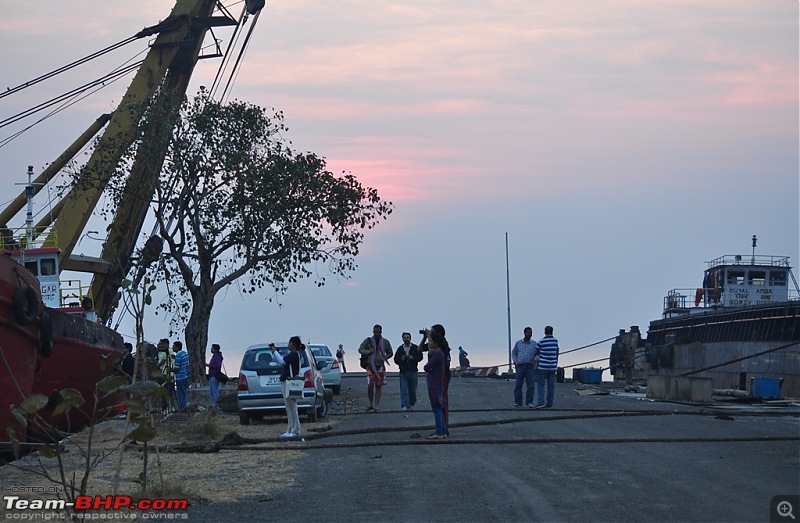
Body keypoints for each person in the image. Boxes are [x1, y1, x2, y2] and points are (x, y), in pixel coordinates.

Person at [419, 324, 451, 432]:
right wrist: (425, 338)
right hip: (436, 375)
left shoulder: (443, 344)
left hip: (442, 375)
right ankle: (441, 426)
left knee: (441, 401)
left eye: (432, 332)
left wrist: (429, 336)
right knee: (438, 402)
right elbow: (420, 349)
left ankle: (443, 426)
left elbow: (431, 353)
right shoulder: (433, 343)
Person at [271, 338, 303, 438]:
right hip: (289, 382)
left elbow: (282, 361)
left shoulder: (294, 354)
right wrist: (276, 352)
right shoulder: (296, 354)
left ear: (293, 344)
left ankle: (295, 430)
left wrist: (275, 351)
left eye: (289, 343)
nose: (288, 345)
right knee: (290, 407)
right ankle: (290, 429)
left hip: (289, 382)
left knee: (291, 407)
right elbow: (282, 360)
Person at [358, 324, 393, 411]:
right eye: (375, 332)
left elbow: (390, 352)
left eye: (379, 332)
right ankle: (371, 403)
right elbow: (360, 349)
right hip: (370, 366)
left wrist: (385, 357)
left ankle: (376, 405)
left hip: (380, 366)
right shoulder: (368, 341)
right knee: (370, 385)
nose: (377, 334)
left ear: (381, 332)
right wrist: (369, 351)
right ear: (373, 332)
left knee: (378, 386)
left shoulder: (385, 342)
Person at [423, 330, 448, 439]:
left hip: (434, 383)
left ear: (436, 343)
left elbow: (427, 367)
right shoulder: (440, 353)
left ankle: (439, 432)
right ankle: (442, 431)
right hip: (437, 383)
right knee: (439, 407)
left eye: (431, 341)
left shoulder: (437, 354)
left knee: (436, 409)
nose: (429, 343)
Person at [394, 332, 423, 411]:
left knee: (412, 390)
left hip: (413, 371)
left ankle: (411, 404)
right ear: (402, 338)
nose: (406, 339)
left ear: (410, 338)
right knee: (403, 390)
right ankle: (404, 405)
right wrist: (401, 359)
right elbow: (396, 359)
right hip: (403, 371)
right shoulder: (400, 349)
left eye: (407, 337)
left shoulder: (415, 348)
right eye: (405, 337)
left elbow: (420, 357)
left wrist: (413, 358)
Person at [512, 326, 538, 408]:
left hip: (530, 366)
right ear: (524, 333)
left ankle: (529, 402)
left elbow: (538, 354)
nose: (529, 334)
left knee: (531, 385)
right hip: (520, 366)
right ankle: (518, 402)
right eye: (528, 332)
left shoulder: (534, 344)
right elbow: (514, 353)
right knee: (518, 385)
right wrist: (516, 362)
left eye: (531, 333)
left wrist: (535, 360)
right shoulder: (518, 343)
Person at [535, 326, 559, 409]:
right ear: (552, 331)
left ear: (544, 332)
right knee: (551, 385)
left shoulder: (541, 342)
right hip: (552, 366)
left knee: (541, 385)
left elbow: (536, 351)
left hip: (543, 366)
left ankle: (541, 402)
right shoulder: (555, 341)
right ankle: (550, 402)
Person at [157, 338, 176, 412]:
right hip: (165, 373)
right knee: (164, 392)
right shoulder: (164, 352)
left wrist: (157, 367)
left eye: (163, 344)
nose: (161, 346)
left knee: (167, 392)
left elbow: (163, 360)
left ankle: (167, 407)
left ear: (166, 344)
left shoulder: (168, 352)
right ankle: (166, 407)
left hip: (167, 374)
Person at [172, 340, 190, 410]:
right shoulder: (184, 353)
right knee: (183, 393)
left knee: (181, 394)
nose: (172, 348)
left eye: (173, 346)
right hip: (185, 376)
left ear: (177, 347)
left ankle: (183, 408)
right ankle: (183, 407)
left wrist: (170, 370)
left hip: (180, 377)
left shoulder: (178, 355)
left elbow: (177, 368)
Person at [206, 343, 224, 410]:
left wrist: (209, 365)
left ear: (215, 349)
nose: (211, 349)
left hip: (215, 375)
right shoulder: (214, 356)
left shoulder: (217, 357)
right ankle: (215, 404)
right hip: (211, 375)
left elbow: (218, 366)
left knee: (215, 391)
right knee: (211, 391)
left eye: (212, 348)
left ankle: (216, 405)